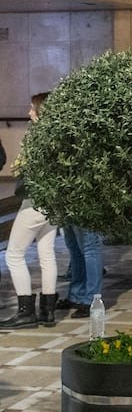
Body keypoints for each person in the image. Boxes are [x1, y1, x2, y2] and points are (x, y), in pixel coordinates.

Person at [0, 93, 59, 329]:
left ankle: (26, 312)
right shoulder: (58, 135)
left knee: (13, 255)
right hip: (52, 203)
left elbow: (30, 170)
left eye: (32, 109)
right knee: (47, 253)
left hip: (35, 202)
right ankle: (48, 311)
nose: (29, 113)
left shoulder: (38, 137)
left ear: (42, 111)